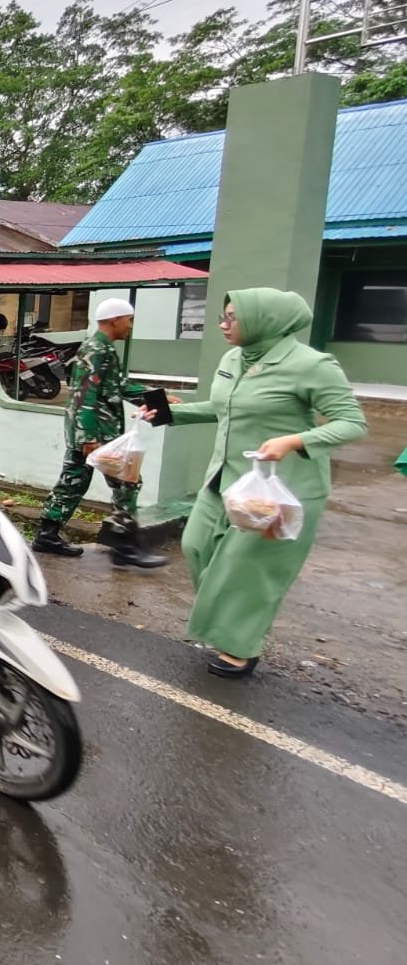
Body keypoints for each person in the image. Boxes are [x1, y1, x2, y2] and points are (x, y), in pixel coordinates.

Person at [146, 289, 367, 677]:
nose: (223, 325)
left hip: (281, 490)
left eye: (233, 318)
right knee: (195, 547)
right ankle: (229, 624)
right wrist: (170, 414)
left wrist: (296, 441)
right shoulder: (234, 358)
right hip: (224, 481)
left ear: (266, 320)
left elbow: (352, 422)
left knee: (247, 568)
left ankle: (241, 647)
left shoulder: (312, 365)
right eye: (223, 316)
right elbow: (223, 408)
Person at [33, 298, 166, 568]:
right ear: (115, 319)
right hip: (96, 434)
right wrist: (88, 438)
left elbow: (118, 386)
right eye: (129, 320)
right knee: (128, 482)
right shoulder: (96, 349)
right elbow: (84, 395)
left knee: (73, 482)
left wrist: (158, 400)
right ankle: (125, 547)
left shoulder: (102, 348)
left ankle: (47, 534)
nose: (130, 326)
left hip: (89, 432)